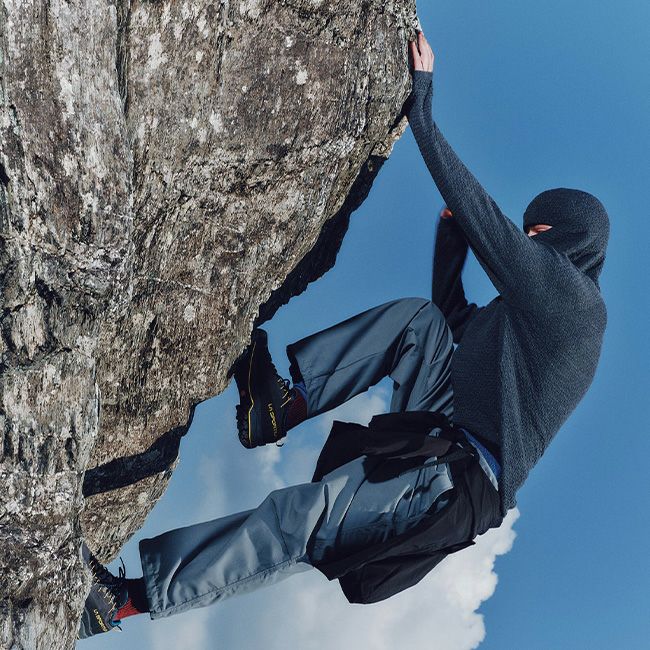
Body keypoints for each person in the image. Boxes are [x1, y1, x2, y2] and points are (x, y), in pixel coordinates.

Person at [77, 30, 609, 639]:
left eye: (537, 233)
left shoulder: (575, 304)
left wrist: (422, 111)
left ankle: (119, 604)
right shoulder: (529, 318)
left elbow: (486, 218)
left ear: (571, 238)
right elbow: (452, 323)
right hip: (447, 428)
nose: (529, 242)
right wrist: (449, 247)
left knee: (298, 521)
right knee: (421, 323)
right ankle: (282, 409)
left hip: (458, 480)